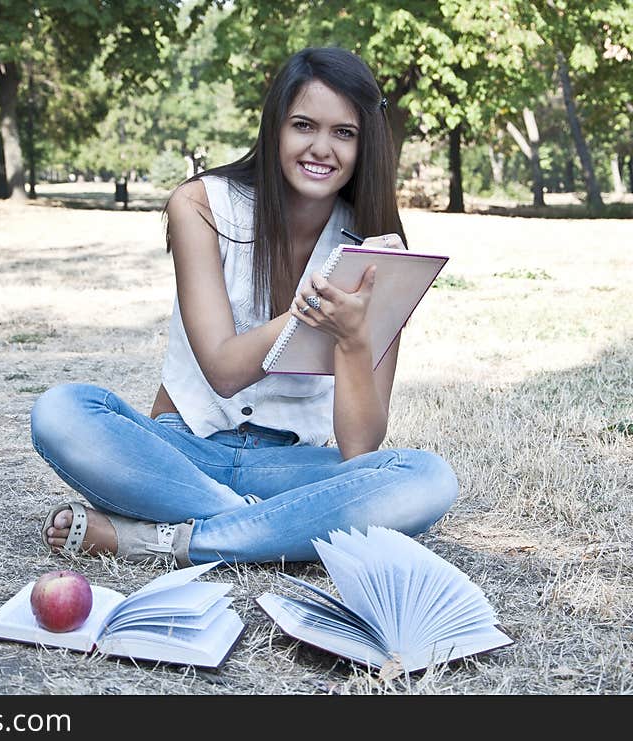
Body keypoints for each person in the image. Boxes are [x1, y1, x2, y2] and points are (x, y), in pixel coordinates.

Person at [31, 46, 458, 568]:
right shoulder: (202, 205)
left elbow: (360, 446)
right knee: (62, 410)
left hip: (294, 465)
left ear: (364, 142)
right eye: (303, 125)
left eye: (343, 132)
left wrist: (353, 337)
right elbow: (224, 371)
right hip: (185, 452)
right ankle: (277, 526)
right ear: (275, 127)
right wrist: (309, 311)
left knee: (428, 478)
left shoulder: (374, 249)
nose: (321, 148)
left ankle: (164, 539)